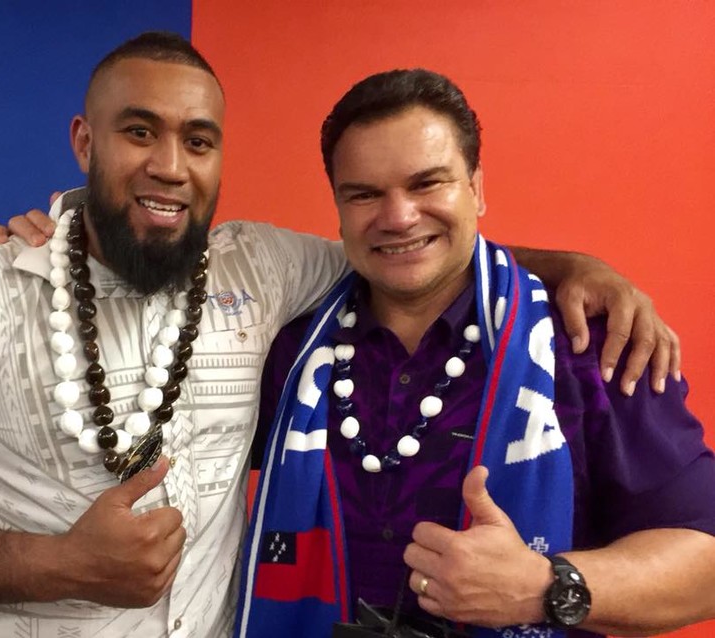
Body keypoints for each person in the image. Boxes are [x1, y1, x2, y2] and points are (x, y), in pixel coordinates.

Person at [0, 33, 684, 638]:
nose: (169, 165)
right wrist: (61, 567)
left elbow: (412, 252)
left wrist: (578, 267)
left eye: (198, 140)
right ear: (86, 142)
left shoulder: (581, 340)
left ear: (476, 188)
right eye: (138, 132)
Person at [237, 69, 715, 638]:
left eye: (427, 184)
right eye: (364, 193)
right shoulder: (287, 350)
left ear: (478, 189)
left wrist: (545, 587)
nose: (398, 216)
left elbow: (704, 557)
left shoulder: (585, 342)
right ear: (338, 206)